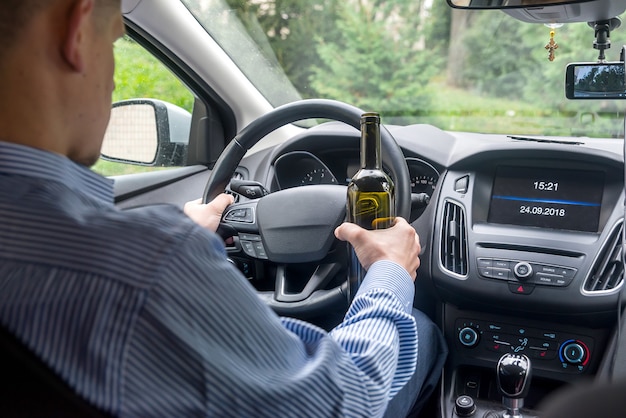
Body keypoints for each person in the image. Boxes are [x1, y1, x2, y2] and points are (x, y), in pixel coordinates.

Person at [0, 0, 447, 417]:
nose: (113, 79)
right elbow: (348, 397)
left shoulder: (123, 259)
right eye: (115, 41)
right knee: (422, 330)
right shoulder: (148, 268)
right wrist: (390, 270)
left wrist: (177, 230)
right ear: (76, 32)